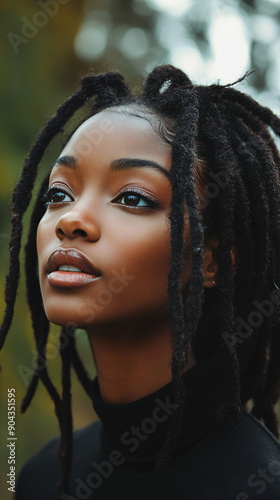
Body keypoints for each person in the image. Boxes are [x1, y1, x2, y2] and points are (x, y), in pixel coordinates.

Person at [1, 65, 280, 500]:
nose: (71, 219)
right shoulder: (42, 478)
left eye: (132, 197)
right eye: (60, 193)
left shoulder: (260, 483)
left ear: (210, 260)